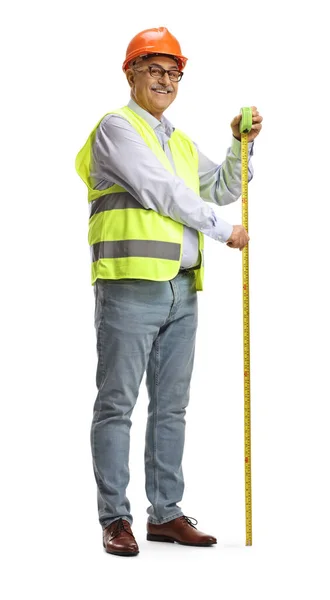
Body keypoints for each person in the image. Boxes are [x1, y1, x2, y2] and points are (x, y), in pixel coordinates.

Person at [75, 26, 263, 557]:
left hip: (183, 291)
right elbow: (163, 193)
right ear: (130, 72)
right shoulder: (118, 129)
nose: (164, 79)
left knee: (172, 407)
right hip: (130, 289)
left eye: (173, 72)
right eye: (153, 69)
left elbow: (224, 186)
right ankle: (116, 518)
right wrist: (224, 230)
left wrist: (238, 145)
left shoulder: (176, 139)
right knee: (117, 405)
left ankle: (167, 514)